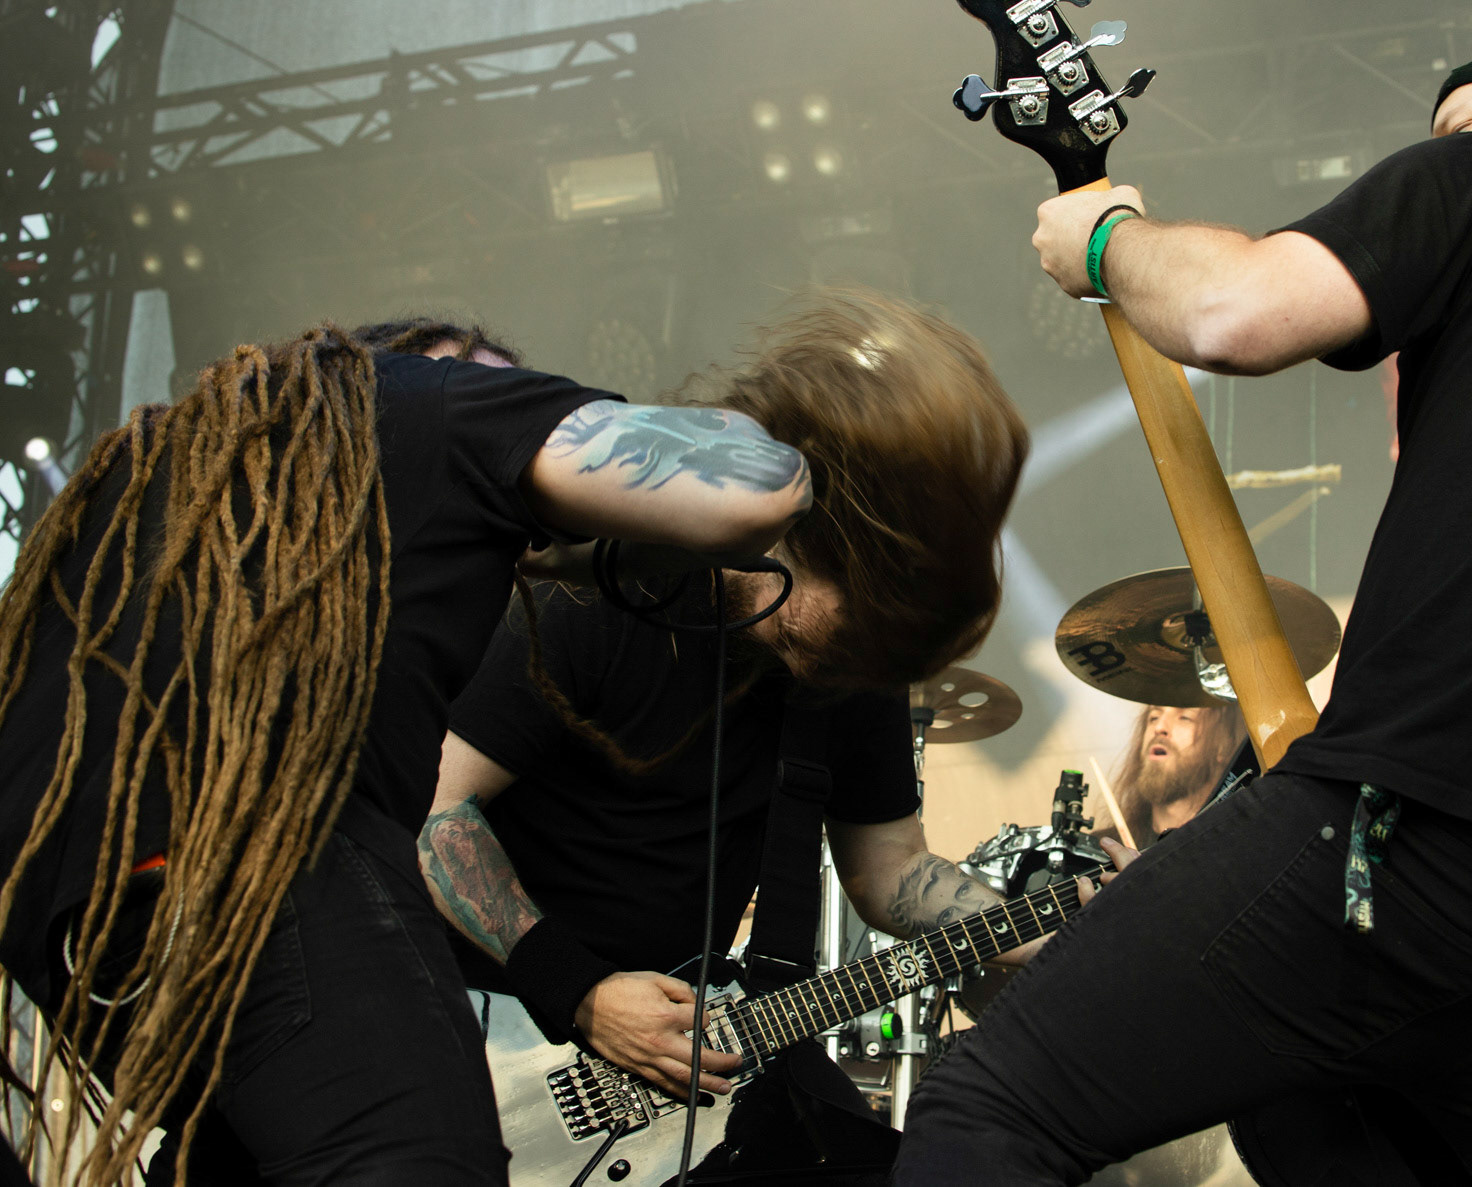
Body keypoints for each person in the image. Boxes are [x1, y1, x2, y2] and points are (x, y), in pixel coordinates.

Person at [894, 33, 1472, 1185]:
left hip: (1423, 842)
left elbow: (1233, 312)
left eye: (1457, 126)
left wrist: (1104, 236)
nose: (1441, 148)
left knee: (993, 1100)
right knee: (1311, 1123)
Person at [0, 318, 813, 1185]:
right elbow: (755, 488)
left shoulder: (188, 460)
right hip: (255, 853)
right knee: (422, 1158)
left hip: (78, 913)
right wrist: (784, 423)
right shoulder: (430, 394)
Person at [417, 291, 1034, 1176]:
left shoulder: (861, 652)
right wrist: (580, 992)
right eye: (853, 617)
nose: (861, 657)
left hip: (684, 1066)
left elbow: (889, 869)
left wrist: (1060, 927)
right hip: (504, 1037)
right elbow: (433, 810)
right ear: (799, 536)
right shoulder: (599, 590)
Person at [1096, 703, 1248, 850]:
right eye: (1154, 717)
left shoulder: (1236, 852)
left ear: (1224, 745)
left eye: (1185, 717)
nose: (1159, 727)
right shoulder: (1103, 849)